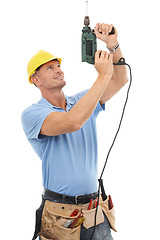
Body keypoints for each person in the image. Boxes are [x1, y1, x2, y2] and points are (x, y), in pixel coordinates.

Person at [21, 23, 128, 240]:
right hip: (60, 217)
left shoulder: (82, 101)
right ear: (36, 80)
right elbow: (73, 121)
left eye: (58, 65)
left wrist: (113, 46)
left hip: (95, 211)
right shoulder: (32, 114)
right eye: (49, 68)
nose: (58, 69)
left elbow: (120, 80)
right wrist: (101, 76)